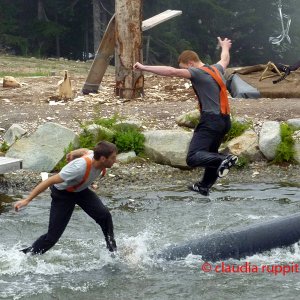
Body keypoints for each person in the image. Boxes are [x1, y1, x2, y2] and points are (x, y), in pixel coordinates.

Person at [133, 37, 238, 196]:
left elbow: (171, 71)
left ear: (190, 63)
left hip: (210, 121)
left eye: (184, 67)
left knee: (194, 157)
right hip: (224, 121)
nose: (184, 71)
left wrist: (143, 67)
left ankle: (224, 159)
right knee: (209, 154)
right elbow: (225, 59)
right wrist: (225, 47)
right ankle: (204, 185)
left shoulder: (197, 72)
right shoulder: (216, 69)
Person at [14, 141, 117, 254]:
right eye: (113, 158)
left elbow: (84, 151)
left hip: (80, 191)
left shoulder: (95, 156)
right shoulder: (79, 168)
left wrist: (72, 153)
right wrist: (27, 200)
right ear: (103, 158)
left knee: (105, 216)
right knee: (52, 238)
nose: (115, 160)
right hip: (62, 194)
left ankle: (113, 251)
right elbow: (49, 181)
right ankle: (25, 255)